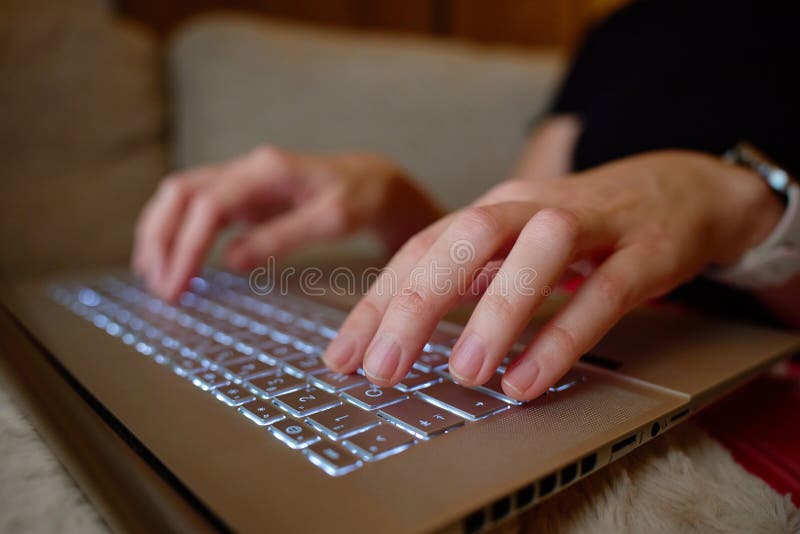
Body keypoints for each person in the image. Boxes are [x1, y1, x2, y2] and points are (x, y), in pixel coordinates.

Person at [132, 0, 800, 402]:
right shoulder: (625, 34)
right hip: (589, 374)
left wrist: (742, 209)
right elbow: (515, 255)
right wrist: (391, 197)